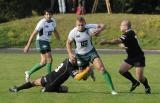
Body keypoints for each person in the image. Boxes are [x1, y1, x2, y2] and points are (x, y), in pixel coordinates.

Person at [66, 16, 117, 95]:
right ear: (76, 25)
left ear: (85, 24)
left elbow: (104, 25)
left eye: (82, 25)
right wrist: (70, 53)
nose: (80, 26)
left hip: (91, 52)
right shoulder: (73, 32)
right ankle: (90, 72)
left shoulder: (89, 27)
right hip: (80, 56)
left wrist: (99, 30)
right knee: (84, 78)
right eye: (78, 25)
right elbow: (68, 43)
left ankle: (113, 90)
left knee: (102, 68)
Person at [99, 20, 151, 94]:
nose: (120, 27)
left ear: (126, 27)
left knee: (139, 77)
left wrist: (106, 42)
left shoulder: (128, 33)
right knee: (122, 70)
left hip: (138, 57)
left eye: (121, 25)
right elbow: (124, 42)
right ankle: (134, 82)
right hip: (131, 57)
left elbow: (117, 40)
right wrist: (123, 45)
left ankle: (147, 86)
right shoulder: (129, 33)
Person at [9, 58, 93, 93]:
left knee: (33, 82)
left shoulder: (67, 60)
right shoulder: (69, 67)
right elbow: (78, 77)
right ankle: (45, 90)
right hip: (53, 83)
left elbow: (83, 76)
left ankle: (17, 88)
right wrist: (87, 71)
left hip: (49, 76)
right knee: (65, 89)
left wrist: (85, 71)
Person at [24, 9, 61, 82]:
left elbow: (55, 30)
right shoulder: (41, 23)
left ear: (52, 15)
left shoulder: (53, 21)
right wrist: (28, 45)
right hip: (40, 41)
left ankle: (29, 72)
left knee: (43, 62)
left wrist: (59, 39)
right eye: (47, 14)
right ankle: (49, 78)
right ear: (44, 15)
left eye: (50, 14)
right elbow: (33, 34)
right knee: (50, 59)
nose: (48, 16)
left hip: (46, 42)